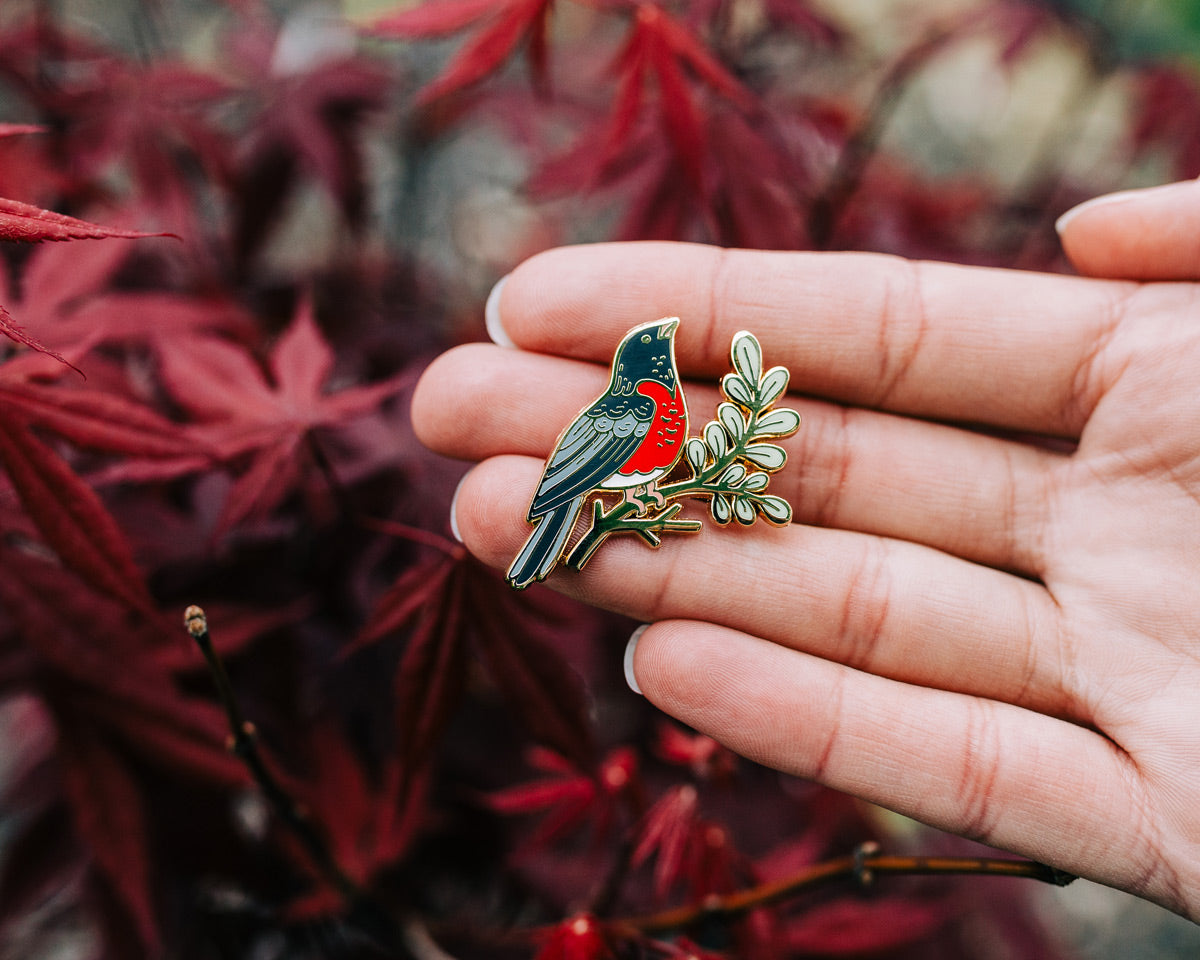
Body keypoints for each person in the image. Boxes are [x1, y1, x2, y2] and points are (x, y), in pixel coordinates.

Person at [411, 178, 1200, 922]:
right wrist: (583, 501)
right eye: (653, 357)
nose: (660, 363)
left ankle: (558, 537)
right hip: (592, 495)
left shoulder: (653, 403)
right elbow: (588, 462)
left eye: (658, 357)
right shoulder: (630, 405)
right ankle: (551, 539)